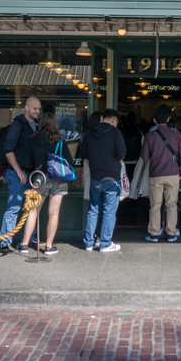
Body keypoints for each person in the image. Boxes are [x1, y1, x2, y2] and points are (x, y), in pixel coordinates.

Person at [17, 109, 75, 255]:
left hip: (40, 177)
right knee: (54, 213)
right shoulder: (59, 140)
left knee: (33, 212)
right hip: (58, 178)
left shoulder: (33, 139)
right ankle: (49, 246)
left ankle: (24, 245)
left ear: (40, 124)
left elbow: (28, 161)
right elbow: (70, 160)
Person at [80, 108, 127, 253]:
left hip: (95, 177)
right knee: (108, 211)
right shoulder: (115, 133)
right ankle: (105, 243)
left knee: (93, 210)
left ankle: (89, 242)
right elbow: (121, 154)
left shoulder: (89, 134)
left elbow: (84, 156)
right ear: (113, 120)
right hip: (112, 178)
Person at [141, 105, 181, 243]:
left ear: (154, 120)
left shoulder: (150, 136)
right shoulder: (176, 134)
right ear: (168, 119)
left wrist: (143, 144)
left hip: (156, 174)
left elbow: (144, 157)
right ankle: (171, 233)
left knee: (155, 205)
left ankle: (154, 234)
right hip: (173, 174)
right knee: (172, 205)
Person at [0, 96, 40, 251]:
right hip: (17, 173)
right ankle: (5, 241)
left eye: (39, 109)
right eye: (35, 108)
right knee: (14, 207)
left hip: (32, 173)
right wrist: (19, 171)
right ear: (27, 107)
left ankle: (27, 239)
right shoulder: (18, 125)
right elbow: (8, 150)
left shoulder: (36, 125)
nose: (37, 111)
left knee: (31, 208)